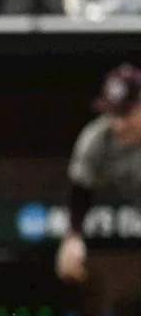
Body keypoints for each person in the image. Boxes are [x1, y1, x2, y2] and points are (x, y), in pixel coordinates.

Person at [56, 64, 141, 284]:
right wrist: (73, 237)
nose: (118, 124)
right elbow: (81, 190)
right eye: (112, 113)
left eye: (126, 113)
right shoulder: (97, 139)